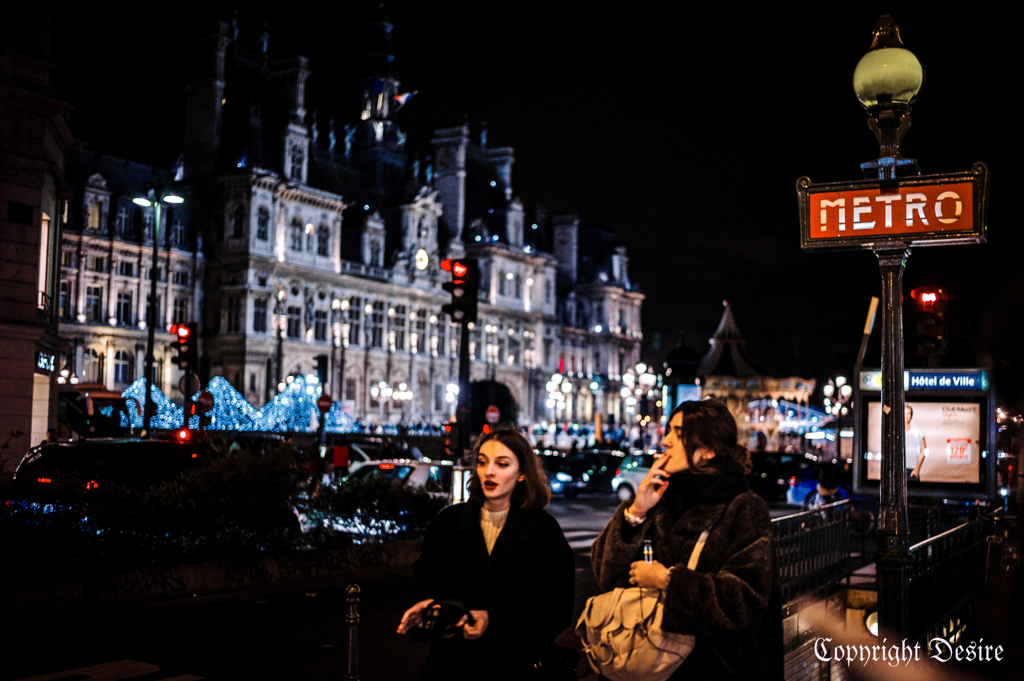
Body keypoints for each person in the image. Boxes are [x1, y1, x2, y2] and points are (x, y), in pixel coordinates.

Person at [591, 399, 783, 680]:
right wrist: (635, 511)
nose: (665, 441)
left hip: (712, 670)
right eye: (668, 430)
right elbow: (604, 574)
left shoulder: (743, 507)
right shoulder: (659, 496)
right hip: (642, 664)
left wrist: (666, 580)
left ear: (707, 450)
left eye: (678, 433)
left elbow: (744, 602)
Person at [397, 427, 575, 681]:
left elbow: (556, 609)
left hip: (516, 666)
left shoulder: (542, 531)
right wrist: (427, 608)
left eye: (502, 464)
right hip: (452, 665)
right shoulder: (449, 523)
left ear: (522, 473)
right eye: (482, 462)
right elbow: (424, 582)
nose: (489, 471)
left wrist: (493, 619)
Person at [905, 405, 929, 480]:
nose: (906, 416)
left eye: (908, 414)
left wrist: (917, 468)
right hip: (897, 470)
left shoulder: (917, 429)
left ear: (911, 415)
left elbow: (924, 450)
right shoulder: (895, 430)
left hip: (912, 470)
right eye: (904, 413)